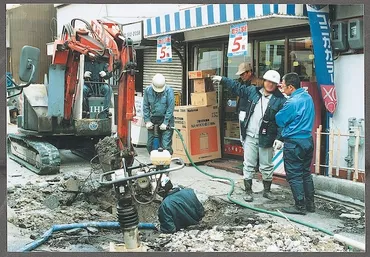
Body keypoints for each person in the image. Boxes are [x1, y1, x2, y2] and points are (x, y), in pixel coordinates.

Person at [212, 70, 286, 202]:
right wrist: (223, 79)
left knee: (266, 165)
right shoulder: (253, 92)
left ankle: (267, 191)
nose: (270, 84)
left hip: (267, 137)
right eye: (268, 81)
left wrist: (280, 138)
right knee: (249, 164)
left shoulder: (280, 100)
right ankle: (248, 191)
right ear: (264, 81)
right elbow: (238, 87)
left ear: (277, 85)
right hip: (250, 135)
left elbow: (282, 121)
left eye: (273, 83)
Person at [275, 72, 315, 215]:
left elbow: (280, 119)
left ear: (291, 87)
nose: (282, 89)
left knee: (294, 175)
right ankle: (310, 204)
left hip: (294, 142)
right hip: (308, 140)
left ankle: (299, 206)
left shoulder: (292, 102)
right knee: (305, 173)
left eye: (283, 86)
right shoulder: (308, 97)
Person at [143, 73, 175, 155]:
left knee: (165, 146)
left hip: (166, 119)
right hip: (153, 119)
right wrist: (147, 121)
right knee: (150, 145)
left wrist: (165, 122)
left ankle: (166, 165)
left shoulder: (169, 91)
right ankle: (155, 162)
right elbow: (146, 106)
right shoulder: (147, 91)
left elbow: (170, 108)